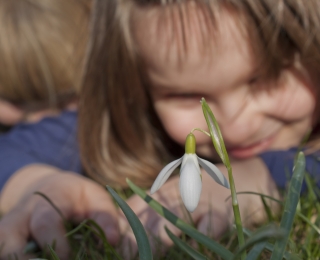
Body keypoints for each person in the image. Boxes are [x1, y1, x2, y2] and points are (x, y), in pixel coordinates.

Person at [1, 0, 320, 259]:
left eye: (266, 78)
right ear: (138, 85)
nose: (235, 127)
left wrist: (264, 177)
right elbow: (11, 152)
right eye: (183, 94)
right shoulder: (136, 118)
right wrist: (36, 184)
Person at [0, 1, 115, 260]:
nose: (41, 118)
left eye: (65, 102)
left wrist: (37, 183)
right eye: (17, 102)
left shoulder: (80, 123)